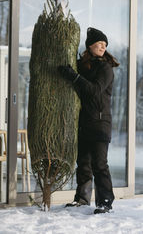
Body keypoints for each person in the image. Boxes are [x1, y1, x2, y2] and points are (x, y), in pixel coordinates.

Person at [58, 27, 119, 214]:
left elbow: (94, 91)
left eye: (104, 44)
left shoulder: (105, 68)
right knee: (83, 163)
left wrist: (74, 77)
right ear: (90, 46)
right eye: (99, 44)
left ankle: (105, 202)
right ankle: (82, 198)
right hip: (84, 123)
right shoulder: (84, 66)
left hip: (100, 124)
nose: (102, 47)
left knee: (99, 164)